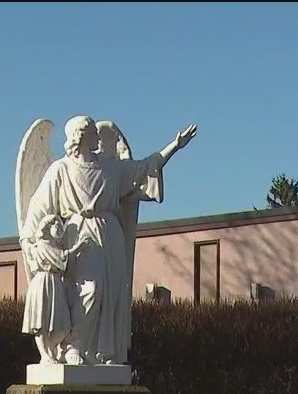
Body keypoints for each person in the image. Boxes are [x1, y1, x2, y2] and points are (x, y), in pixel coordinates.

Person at [20, 115, 197, 366]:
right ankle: (73, 347)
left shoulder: (110, 167)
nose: (98, 137)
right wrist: (31, 240)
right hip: (78, 236)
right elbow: (39, 208)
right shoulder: (60, 170)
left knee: (110, 295)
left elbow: (145, 168)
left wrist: (174, 146)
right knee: (88, 290)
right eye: (93, 132)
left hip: (110, 236)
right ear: (80, 138)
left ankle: (101, 354)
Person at [21, 214, 87, 363]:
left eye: (60, 225)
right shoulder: (42, 245)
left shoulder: (52, 245)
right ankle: (45, 354)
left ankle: (49, 350)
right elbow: (61, 258)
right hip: (43, 283)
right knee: (41, 322)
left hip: (54, 283)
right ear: (47, 227)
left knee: (62, 325)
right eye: (56, 225)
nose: (60, 228)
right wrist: (78, 248)